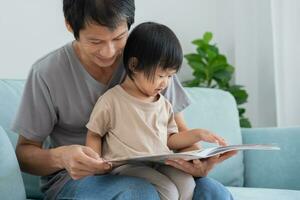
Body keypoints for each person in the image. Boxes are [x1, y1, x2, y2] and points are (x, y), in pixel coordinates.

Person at [12, 0, 236, 199]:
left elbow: (179, 134)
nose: (109, 52)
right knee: (139, 193)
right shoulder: (47, 73)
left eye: (119, 37)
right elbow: (24, 154)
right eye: (95, 41)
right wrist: (61, 157)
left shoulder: (149, 61)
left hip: (155, 168)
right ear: (70, 26)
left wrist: (197, 163)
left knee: (214, 193)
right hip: (78, 180)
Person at [85, 22, 227, 200]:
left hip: (160, 163)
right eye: (161, 75)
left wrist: (198, 134)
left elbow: (171, 140)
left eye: (170, 76)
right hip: (128, 167)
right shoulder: (111, 100)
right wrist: (96, 164)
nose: (165, 83)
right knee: (168, 190)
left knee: (187, 184)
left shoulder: (164, 104)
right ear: (134, 65)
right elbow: (94, 133)